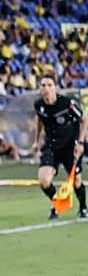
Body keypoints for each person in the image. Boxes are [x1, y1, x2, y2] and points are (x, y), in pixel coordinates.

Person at [31, 75, 87, 219]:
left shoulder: (67, 104)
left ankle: (83, 207)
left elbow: (84, 119)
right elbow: (40, 120)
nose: (46, 88)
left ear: (56, 87)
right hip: (51, 146)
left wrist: (80, 142)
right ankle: (57, 203)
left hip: (70, 146)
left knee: (77, 182)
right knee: (44, 181)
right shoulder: (39, 105)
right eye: (43, 85)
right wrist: (36, 141)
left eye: (49, 85)